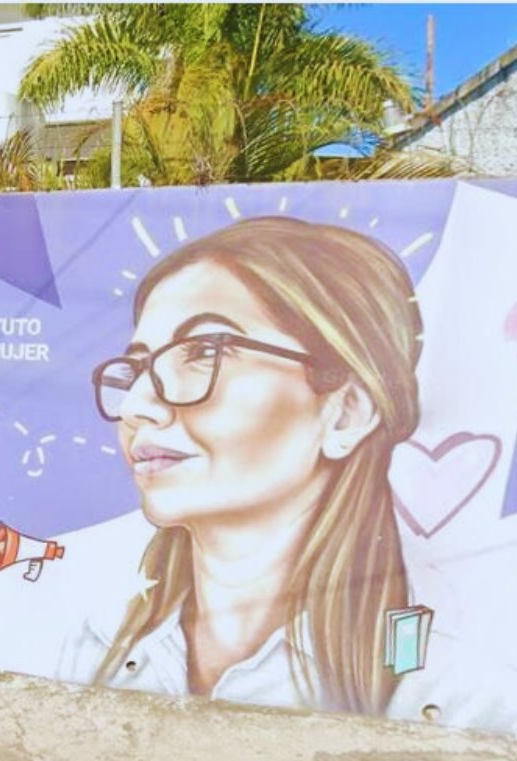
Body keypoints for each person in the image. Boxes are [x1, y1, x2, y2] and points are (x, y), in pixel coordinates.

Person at [58, 216, 423, 715]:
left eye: (206, 351)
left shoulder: (451, 696)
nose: (136, 406)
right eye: (140, 366)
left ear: (347, 412)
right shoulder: (97, 649)